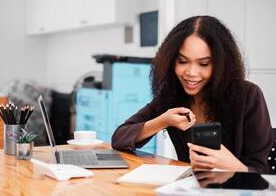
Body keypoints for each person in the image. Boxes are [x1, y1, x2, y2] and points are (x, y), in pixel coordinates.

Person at [111, 15, 273, 173]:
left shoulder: (248, 95)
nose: (191, 73)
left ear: (222, 64)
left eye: (203, 64)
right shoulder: (172, 95)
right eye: (182, 61)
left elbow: (262, 174)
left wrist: (231, 165)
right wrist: (162, 121)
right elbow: (119, 139)